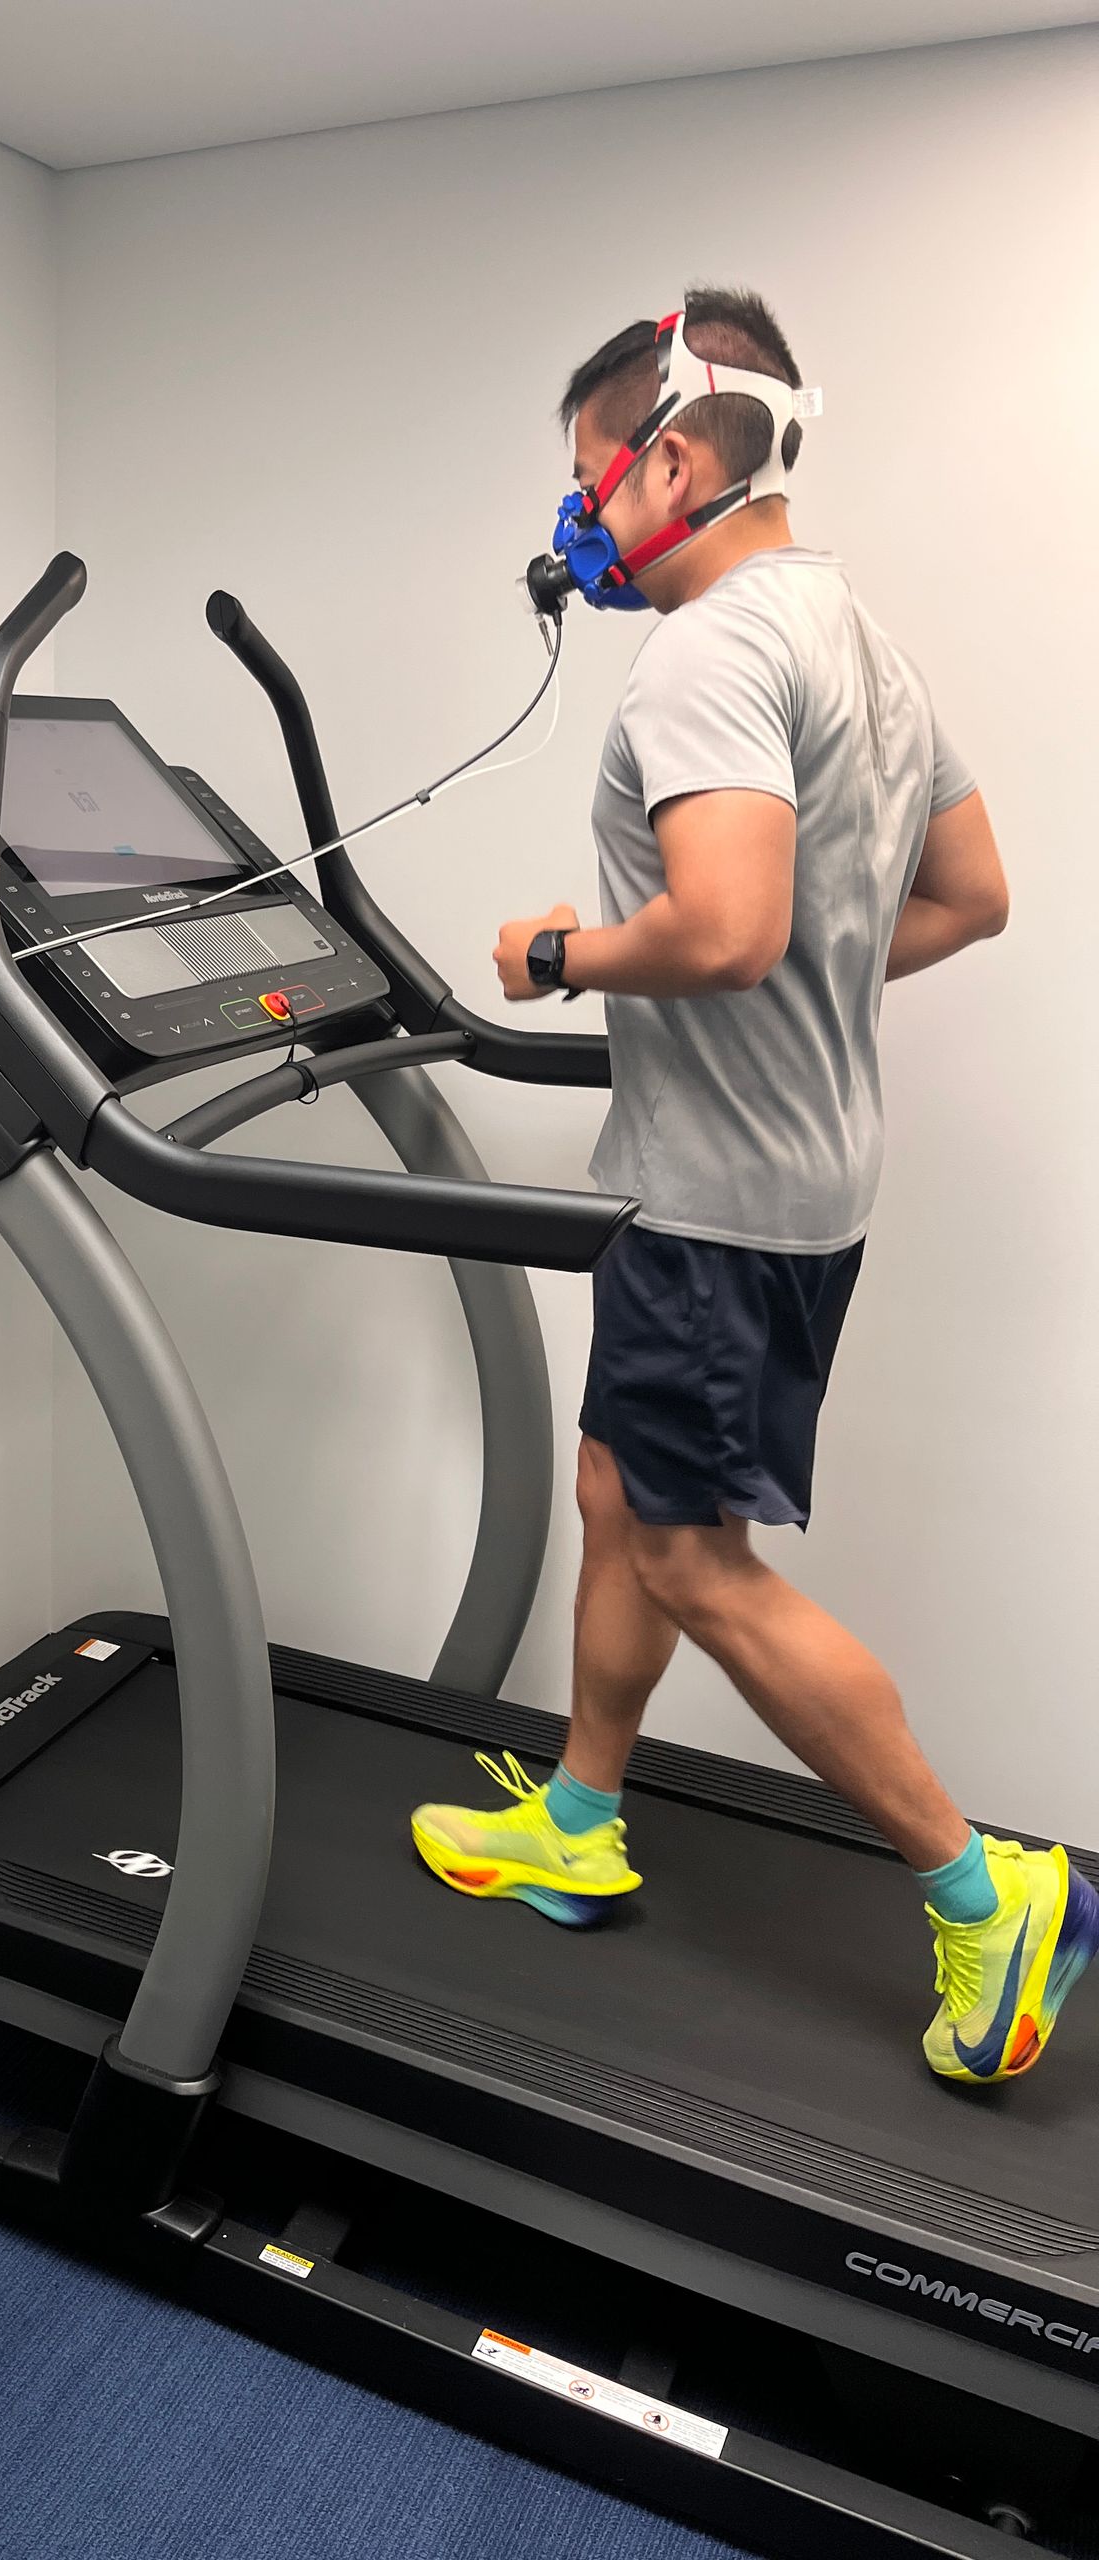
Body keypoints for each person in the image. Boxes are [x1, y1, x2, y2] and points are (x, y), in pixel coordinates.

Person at [410, 286, 1096, 2086]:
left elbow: (724, 925)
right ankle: (580, 1811)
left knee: (697, 1559)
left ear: (679, 458)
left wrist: (560, 952)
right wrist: (789, 976)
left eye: (588, 475)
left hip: (718, 1204)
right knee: (618, 1486)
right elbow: (966, 898)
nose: (578, 516)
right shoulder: (859, 639)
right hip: (796, 1178)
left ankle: (979, 1891)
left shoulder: (708, 650)